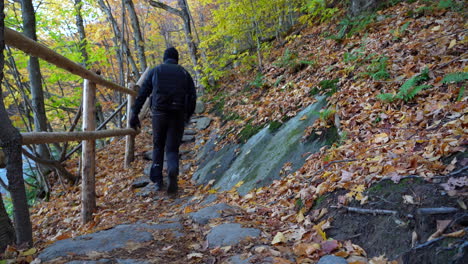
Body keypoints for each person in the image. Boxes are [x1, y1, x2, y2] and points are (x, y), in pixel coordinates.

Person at [130, 47, 196, 195]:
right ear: (177, 58)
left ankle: (158, 180)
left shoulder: (156, 71)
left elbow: (143, 93)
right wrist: (187, 116)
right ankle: (172, 170)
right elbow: (192, 97)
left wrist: (135, 113)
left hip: (159, 114)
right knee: (172, 148)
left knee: (158, 145)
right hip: (177, 114)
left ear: (164, 58)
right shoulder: (184, 73)